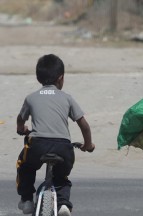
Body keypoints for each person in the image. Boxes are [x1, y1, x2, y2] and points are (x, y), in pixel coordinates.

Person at [16, 54, 95, 216]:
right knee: (62, 176)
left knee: (25, 166)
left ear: (39, 78)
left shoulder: (31, 98)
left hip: (37, 145)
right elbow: (84, 126)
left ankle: (27, 201)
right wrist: (88, 145)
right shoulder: (67, 98)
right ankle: (64, 205)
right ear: (61, 78)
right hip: (63, 147)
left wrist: (21, 128)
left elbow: (20, 118)